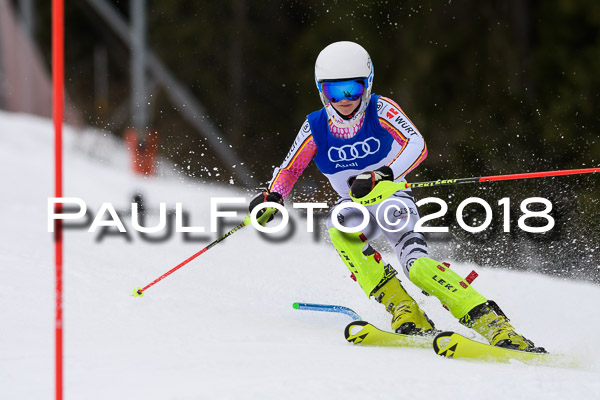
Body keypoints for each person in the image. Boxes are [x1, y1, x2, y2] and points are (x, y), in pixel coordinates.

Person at [250, 41, 542, 352]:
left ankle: (494, 325)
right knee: (339, 228)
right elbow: (289, 169)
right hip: (354, 206)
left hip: (392, 200)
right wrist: (273, 197)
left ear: (368, 84)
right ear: (322, 90)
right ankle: (404, 308)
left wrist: (382, 175)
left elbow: (416, 144)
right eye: (335, 92)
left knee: (416, 266)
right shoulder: (316, 125)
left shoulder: (380, 109)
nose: (345, 100)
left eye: (353, 89)